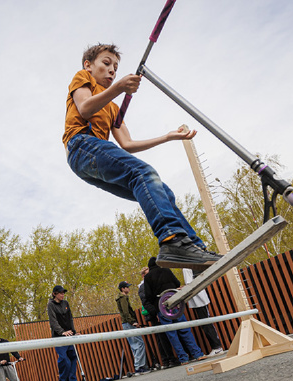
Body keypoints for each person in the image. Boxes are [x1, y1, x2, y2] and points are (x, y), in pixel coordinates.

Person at [63, 43, 221, 271]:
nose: (112, 71)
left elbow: (127, 144)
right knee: (143, 173)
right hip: (81, 145)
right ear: (88, 65)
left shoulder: (113, 109)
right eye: (106, 63)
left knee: (160, 191)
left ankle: (194, 251)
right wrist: (118, 87)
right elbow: (85, 108)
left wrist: (167, 137)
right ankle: (171, 240)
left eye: (115, 68)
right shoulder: (82, 78)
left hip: (91, 159)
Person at [143, 257, 205, 364]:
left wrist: (155, 311)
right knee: (185, 329)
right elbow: (176, 283)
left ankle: (183, 358)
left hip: (162, 308)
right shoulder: (166, 270)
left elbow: (148, 296)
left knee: (172, 334)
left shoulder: (148, 277)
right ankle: (197, 354)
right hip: (175, 304)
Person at [139, 266, 180, 369]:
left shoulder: (149, 282)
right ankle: (168, 359)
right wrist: (156, 313)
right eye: (148, 272)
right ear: (144, 275)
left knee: (163, 337)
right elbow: (146, 302)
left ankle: (168, 360)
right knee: (162, 338)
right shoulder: (143, 287)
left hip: (158, 312)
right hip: (155, 314)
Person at [182, 269, 224, 356]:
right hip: (199, 297)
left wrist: (183, 289)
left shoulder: (186, 268)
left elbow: (189, 283)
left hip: (199, 299)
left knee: (206, 324)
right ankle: (216, 347)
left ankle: (217, 347)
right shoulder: (190, 266)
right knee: (205, 323)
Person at [47, 285, 80, 381]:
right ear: (54, 294)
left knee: (73, 357)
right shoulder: (51, 305)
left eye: (63, 293)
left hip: (69, 335)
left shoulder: (65, 303)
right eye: (60, 293)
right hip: (58, 337)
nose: (62, 295)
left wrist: (73, 331)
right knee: (64, 360)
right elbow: (53, 322)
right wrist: (62, 332)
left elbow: (70, 318)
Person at [116, 281, 150, 375]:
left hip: (126, 323)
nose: (128, 288)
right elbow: (126, 312)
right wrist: (133, 322)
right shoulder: (123, 298)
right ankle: (139, 367)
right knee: (139, 343)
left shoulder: (120, 298)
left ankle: (139, 366)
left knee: (134, 345)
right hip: (128, 323)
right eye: (127, 287)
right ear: (123, 288)